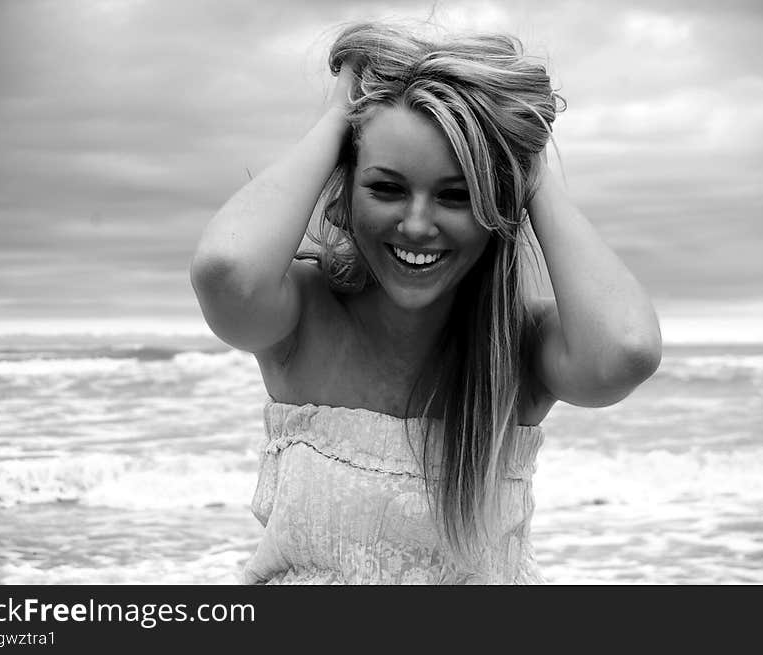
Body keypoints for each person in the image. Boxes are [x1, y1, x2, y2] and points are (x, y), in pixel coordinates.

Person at [191, 21, 662, 584]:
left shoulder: (518, 348)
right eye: (386, 188)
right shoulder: (305, 318)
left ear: (498, 211)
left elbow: (626, 351)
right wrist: (339, 114)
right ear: (342, 196)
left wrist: (524, 162)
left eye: (456, 195)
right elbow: (226, 272)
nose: (417, 225)